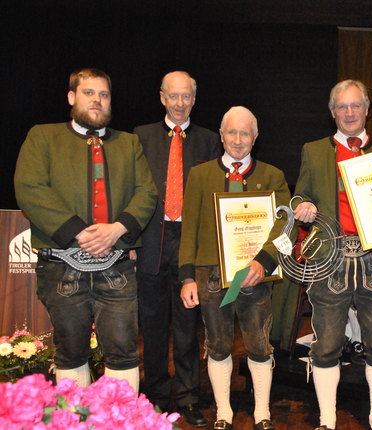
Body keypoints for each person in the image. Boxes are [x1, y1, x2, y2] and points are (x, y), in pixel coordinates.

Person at [14, 68, 157, 391]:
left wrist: (116, 230)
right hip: (60, 265)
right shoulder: (42, 136)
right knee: (70, 352)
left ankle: (121, 423)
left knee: (123, 353)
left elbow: (146, 193)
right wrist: (81, 233)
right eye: (89, 93)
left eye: (103, 95)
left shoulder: (129, 143)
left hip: (117, 266)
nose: (97, 100)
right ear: (71, 97)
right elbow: (30, 188)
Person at [293, 79, 372, 430]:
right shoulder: (314, 150)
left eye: (356, 106)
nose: (350, 112)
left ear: (368, 109)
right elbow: (298, 197)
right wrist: (303, 205)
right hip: (330, 260)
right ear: (332, 112)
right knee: (326, 344)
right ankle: (326, 420)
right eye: (342, 106)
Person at [179, 106, 290, 430]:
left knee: (258, 344)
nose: (238, 140)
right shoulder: (199, 176)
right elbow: (189, 229)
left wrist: (265, 261)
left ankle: (262, 412)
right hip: (210, 277)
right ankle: (223, 412)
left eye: (245, 133)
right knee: (217, 343)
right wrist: (187, 277)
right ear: (221, 135)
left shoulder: (273, 176)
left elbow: (287, 227)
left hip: (255, 276)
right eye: (232, 132)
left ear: (255, 138)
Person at [134, 71, 220, 425]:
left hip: (190, 245)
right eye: (174, 96)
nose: (180, 103)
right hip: (151, 242)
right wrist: (131, 241)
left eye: (187, 96)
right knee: (152, 327)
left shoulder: (210, 141)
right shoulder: (140, 137)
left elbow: (215, 199)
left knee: (187, 328)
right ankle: (154, 397)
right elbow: (130, 191)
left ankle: (187, 398)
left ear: (194, 99)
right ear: (162, 98)